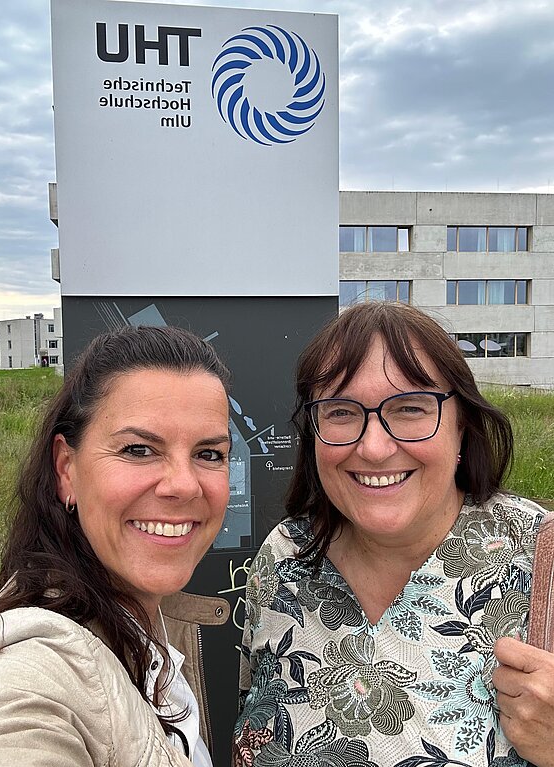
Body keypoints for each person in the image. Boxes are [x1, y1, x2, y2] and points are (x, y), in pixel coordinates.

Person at [234, 301, 554, 767]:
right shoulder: (284, 557)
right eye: (341, 411)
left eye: (409, 408)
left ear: (462, 425)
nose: (374, 447)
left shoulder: (540, 562)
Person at [0, 325, 233, 767]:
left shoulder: (148, 627)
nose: (184, 485)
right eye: (138, 449)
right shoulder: (33, 672)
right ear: (66, 470)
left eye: (209, 454)